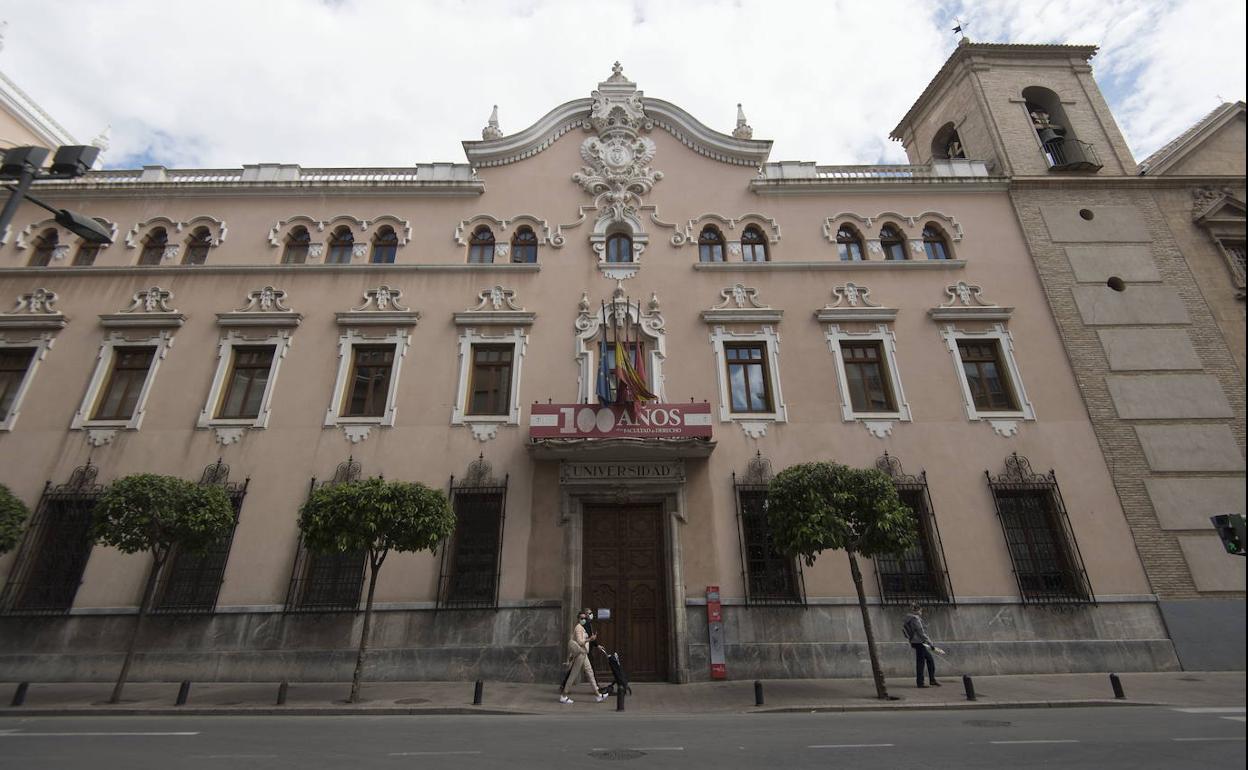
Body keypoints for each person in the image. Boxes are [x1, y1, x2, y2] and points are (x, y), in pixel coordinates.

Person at [559, 608, 609, 704]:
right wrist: (590, 639)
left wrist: (591, 640)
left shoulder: (583, 628)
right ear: (578, 619)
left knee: (590, 672)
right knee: (573, 675)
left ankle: (598, 695)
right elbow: (580, 642)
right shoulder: (578, 628)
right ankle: (564, 695)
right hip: (581, 654)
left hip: (583, 653)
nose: (584, 619)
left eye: (584, 618)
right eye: (582, 618)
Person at [902, 603, 943, 688]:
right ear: (917, 610)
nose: (921, 612)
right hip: (920, 642)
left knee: (928, 660)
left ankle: (930, 680)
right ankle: (921, 682)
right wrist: (930, 643)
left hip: (915, 642)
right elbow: (921, 632)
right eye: (920, 610)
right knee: (921, 662)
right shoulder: (915, 619)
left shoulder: (909, 618)